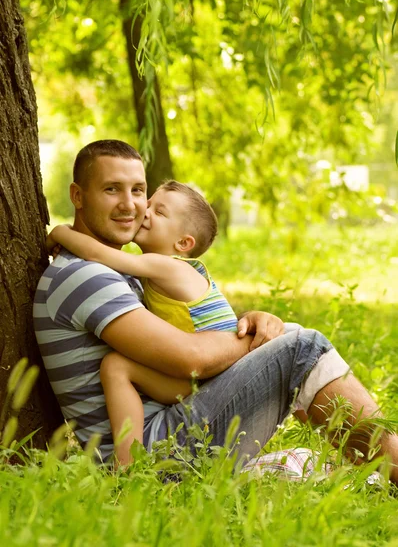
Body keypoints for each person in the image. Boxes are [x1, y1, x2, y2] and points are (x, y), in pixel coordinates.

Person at [34, 140, 398, 481]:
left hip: (165, 429)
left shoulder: (115, 269)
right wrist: (265, 340)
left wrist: (255, 327)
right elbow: (190, 359)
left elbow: (189, 321)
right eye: (111, 189)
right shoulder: (85, 276)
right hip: (154, 454)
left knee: (301, 461)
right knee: (302, 345)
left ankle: (383, 469)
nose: (130, 205)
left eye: (138, 190)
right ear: (78, 196)